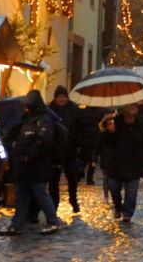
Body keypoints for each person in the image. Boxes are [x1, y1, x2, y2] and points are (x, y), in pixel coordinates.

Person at [0, 90, 63, 236]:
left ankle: (53, 222)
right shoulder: (25, 120)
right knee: (22, 196)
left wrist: (30, 155)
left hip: (36, 166)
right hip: (22, 165)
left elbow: (44, 141)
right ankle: (17, 225)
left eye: (28, 106)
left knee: (40, 195)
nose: (25, 109)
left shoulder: (44, 120)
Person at [100, 103, 143, 223]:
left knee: (131, 192)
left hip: (134, 164)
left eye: (132, 117)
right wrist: (110, 132)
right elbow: (107, 143)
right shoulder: (115, 123)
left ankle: (127, 213)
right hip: (116, 163)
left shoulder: (141, 126)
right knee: (113, 188)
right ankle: (118, 207)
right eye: (128, 117)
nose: (130, 119)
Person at [48, 86, 82, 214]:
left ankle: (73, 200)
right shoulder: (50, 110)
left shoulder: (74, 110)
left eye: (63, 96)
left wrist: (78, 142)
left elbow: (80, 128)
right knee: (53, 181)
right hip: (54, 152)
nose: (61, 99)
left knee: (72, 179)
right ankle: (54, 205)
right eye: (59, 97)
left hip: (70, 150)